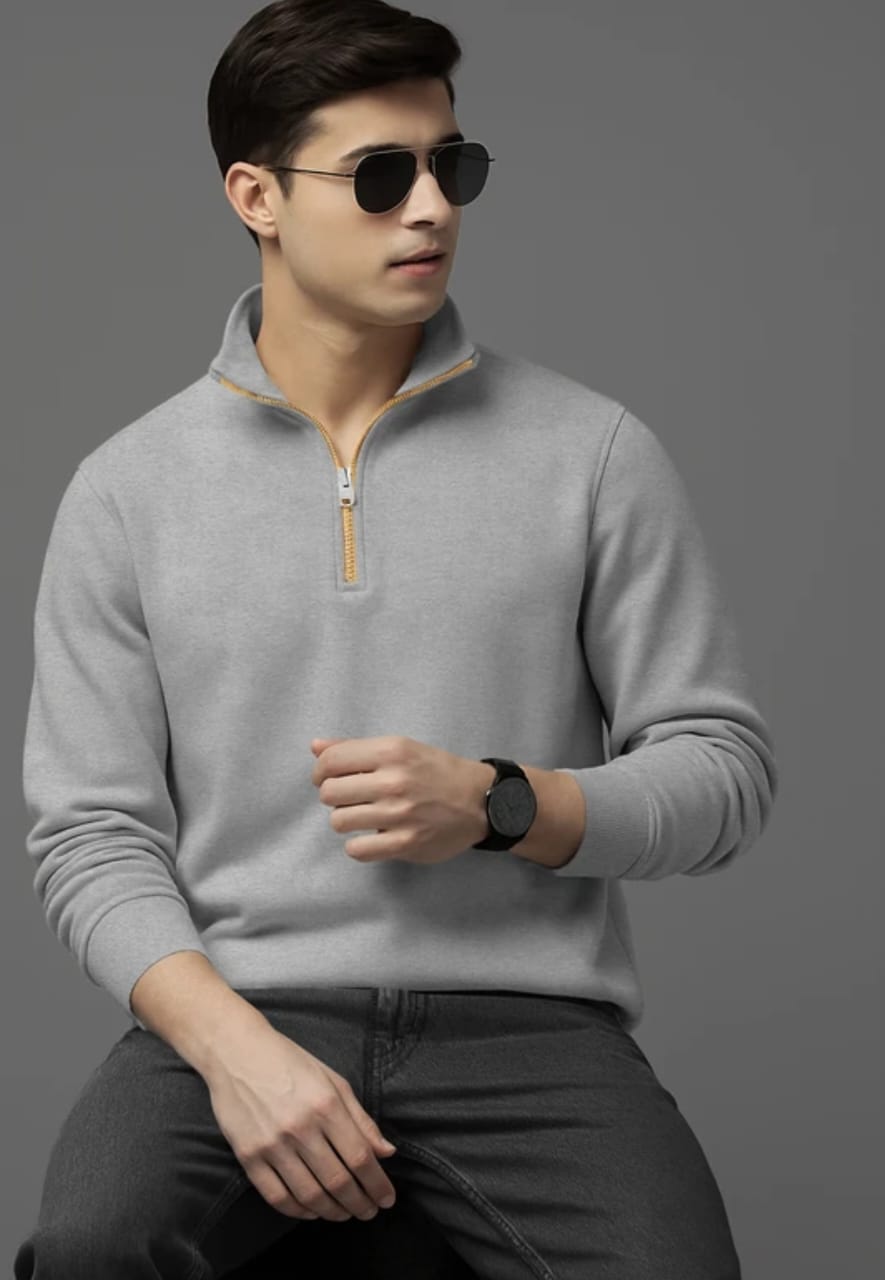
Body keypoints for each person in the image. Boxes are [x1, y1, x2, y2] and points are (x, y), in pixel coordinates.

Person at [14, 2, 778, 1277]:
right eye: (379, 176)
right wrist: (234, 1048)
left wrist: (502, 802)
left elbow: (723, 771)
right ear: (256, 196)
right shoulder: (125, 491)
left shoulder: (591, 453)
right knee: (92, 1246)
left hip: (529, 1026)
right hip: (239, 1007)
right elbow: (90, 833)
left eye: (449, 166)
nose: (430, 209)